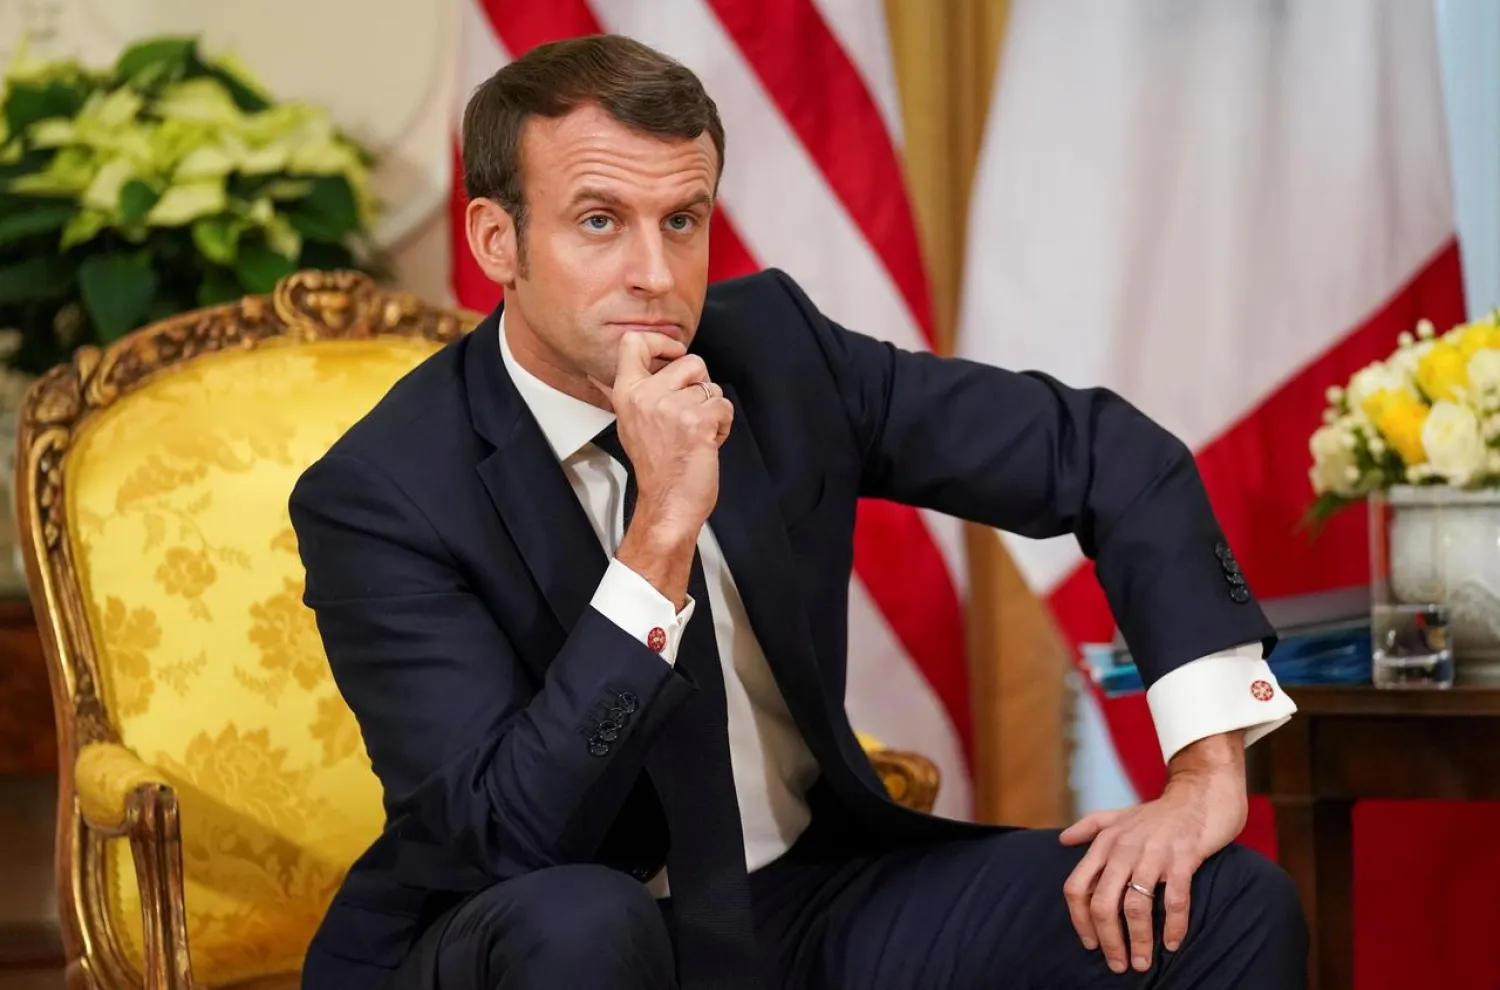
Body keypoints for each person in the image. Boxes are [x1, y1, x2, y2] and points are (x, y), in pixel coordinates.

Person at [289, 33, 1306, 990]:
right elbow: (507, 838)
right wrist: (661, 538)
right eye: (600, 221)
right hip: (537, 933)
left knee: (1223, 904)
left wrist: (1203, 770)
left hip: (807, 897)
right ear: (495, 238)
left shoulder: (775, 353)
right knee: (585, 925)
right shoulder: (385, 492)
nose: (654, 274)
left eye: (681, 220)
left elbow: (1103, 455)